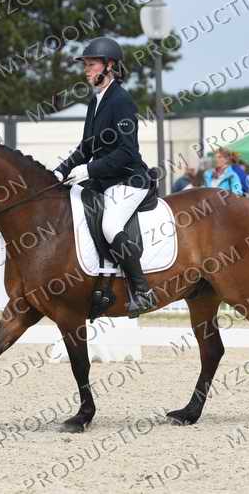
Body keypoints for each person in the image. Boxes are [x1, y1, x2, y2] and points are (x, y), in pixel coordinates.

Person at [52, 36, 156, 315]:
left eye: (91, 64)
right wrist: (60, 170)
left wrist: (90, 169)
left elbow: (127, 152)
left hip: (129, 180)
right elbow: (86, 147)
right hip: (103, 181)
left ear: (109, 66)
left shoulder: (121, 101)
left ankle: (142, 291)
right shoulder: (95, 101)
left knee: (110, 225)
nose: (86, 70)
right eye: (85, 65)